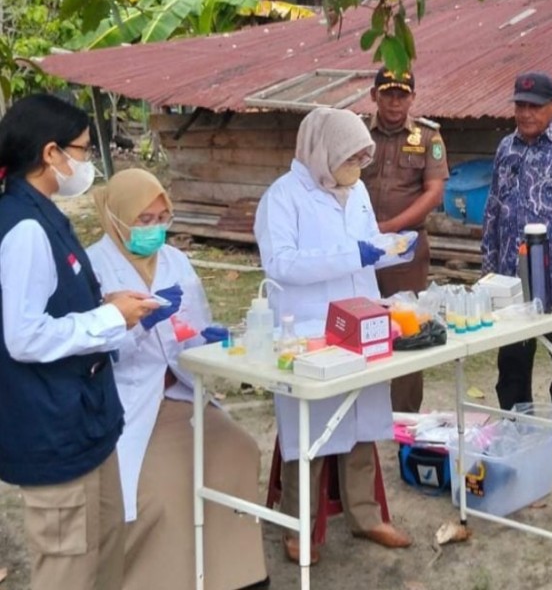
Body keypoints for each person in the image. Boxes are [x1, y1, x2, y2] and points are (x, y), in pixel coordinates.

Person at [0, 94, 156, 590]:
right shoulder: (23, 226)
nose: (87, 162)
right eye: (84, 151)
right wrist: (110, 318)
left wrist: (101, 302)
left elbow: (52, 303)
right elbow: (24, 336)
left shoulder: (43, 212)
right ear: (51, 154)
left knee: (104, 552)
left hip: (86, 420)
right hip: (52, 428)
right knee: (68, 568)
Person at [86, 169, 268, 590]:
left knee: (239, 451)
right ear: (116, 218)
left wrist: (210, 337)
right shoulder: (94, 267)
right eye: (143, 220)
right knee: (160, 488)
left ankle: (235, 574)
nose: (154, 230)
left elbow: (194, 327)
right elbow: (99, 354)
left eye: (162, 218)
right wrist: (141, 324)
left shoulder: (176, 260)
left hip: (183, 390)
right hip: (127, 398)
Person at [255, 107, 412, 565]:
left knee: (363, 420)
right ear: (322, 152)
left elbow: (364, 248)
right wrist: (352, 254)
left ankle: (366, 516)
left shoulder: (355, 189)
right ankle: (299, 526)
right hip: (310, 327)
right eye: (350, 158)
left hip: (361, 319)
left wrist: (390, 249)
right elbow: (280, 263)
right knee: (312, 431)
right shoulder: (282, 197)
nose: (356, 169)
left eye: (363, 159)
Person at [481, 71, 552, 482]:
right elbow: (494, 210)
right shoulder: (506, 148)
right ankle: (518, 438)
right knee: (512, 367)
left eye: (534, 106)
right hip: (511, 286)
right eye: (520, 106)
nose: (526, 114)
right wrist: (488, 272)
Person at [362, 67, 449, 413]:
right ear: (374, 96)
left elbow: (434, 192)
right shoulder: (357, 133)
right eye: (387, 94)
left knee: (408, 328)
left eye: (402, 95)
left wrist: (391, 226)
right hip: (361, 252)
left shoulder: (429, 137)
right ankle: (363, 413)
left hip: (406, 252)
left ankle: (405, 419)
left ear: (412, 98)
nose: (395, 102)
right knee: (361, 325)